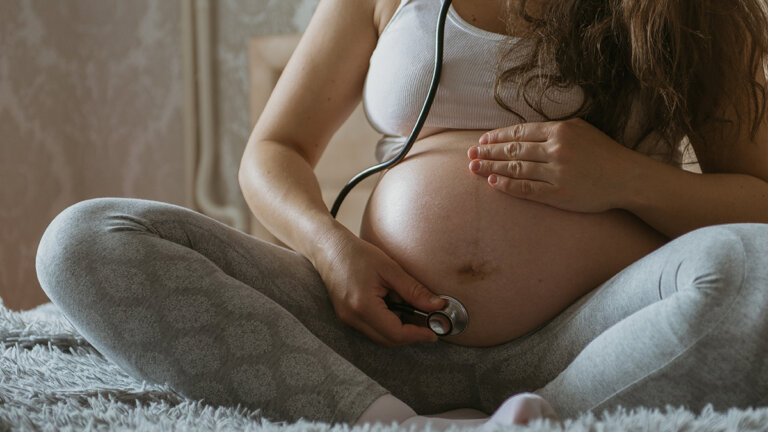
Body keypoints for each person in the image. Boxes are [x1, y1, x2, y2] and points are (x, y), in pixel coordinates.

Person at [36, 0, 768, 429]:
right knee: (84, 242)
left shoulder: (692, 10)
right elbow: (274, 150)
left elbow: (760, 203)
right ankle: (385, 419)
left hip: (595, 336)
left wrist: (626, 179)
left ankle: (551, 407)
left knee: (755, 267)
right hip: (375, 333)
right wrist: (329, 249)